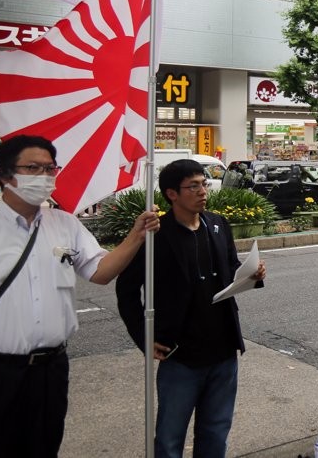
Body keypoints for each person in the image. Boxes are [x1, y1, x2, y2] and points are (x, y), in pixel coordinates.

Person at [0, 135, 160, 457]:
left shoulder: (65, 225)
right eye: (33, 168)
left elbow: (101, 272)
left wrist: (137, 235)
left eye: (51, 169)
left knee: (44, 448)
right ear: (6, 175)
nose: (45, 177)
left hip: (51, 371)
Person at [116, 159, 266, 458]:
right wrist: (144, 337)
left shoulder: (217, 224)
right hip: (180, 354)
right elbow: (126, 290)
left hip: (223, 348)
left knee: (216, 431)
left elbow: (232, 268)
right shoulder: (156, 234)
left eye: (204, 184)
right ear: (172, 194)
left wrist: (253, 273)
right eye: (193, 186)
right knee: (170, 439)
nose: (202, 191)